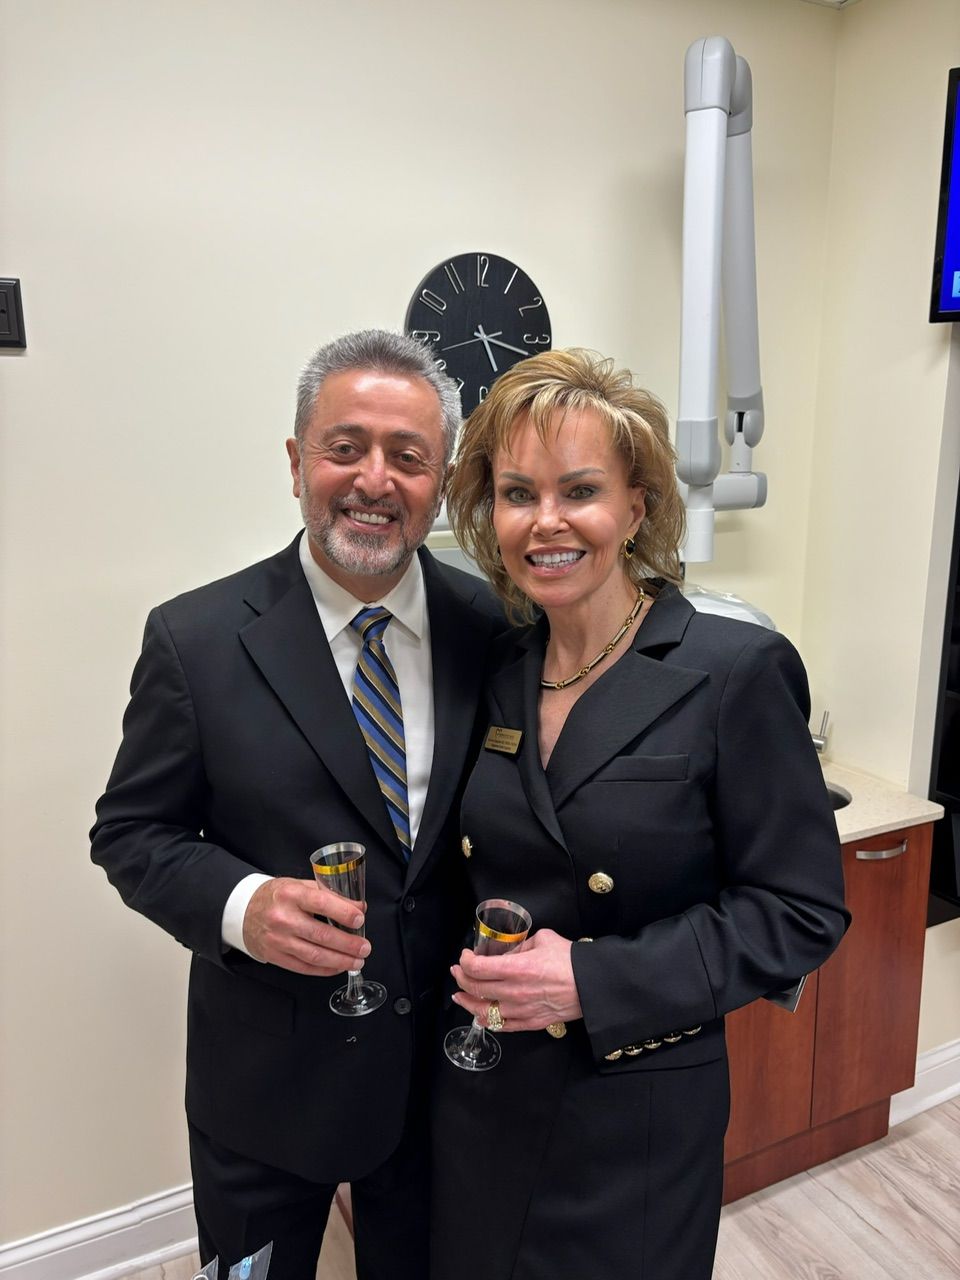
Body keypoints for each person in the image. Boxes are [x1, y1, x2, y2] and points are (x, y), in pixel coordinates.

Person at [90, 329, 505, 1280]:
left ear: (438, 484)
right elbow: (131, 835)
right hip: (267, 1086)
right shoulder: (195, 640)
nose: (374, 480)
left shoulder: (494, 629)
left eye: (408, 457)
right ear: (295, 462)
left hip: (445, 1078)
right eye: (345, 447)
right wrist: (244, 907)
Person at [432, 348, 849, 1280]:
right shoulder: (496, 672)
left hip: (634, 1105)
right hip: (484, 1089)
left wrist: (593, 981)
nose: (545, 522)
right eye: (515, 493)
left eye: (580, 489)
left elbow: (801, 912)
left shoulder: (731, 670)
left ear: (637, 508)